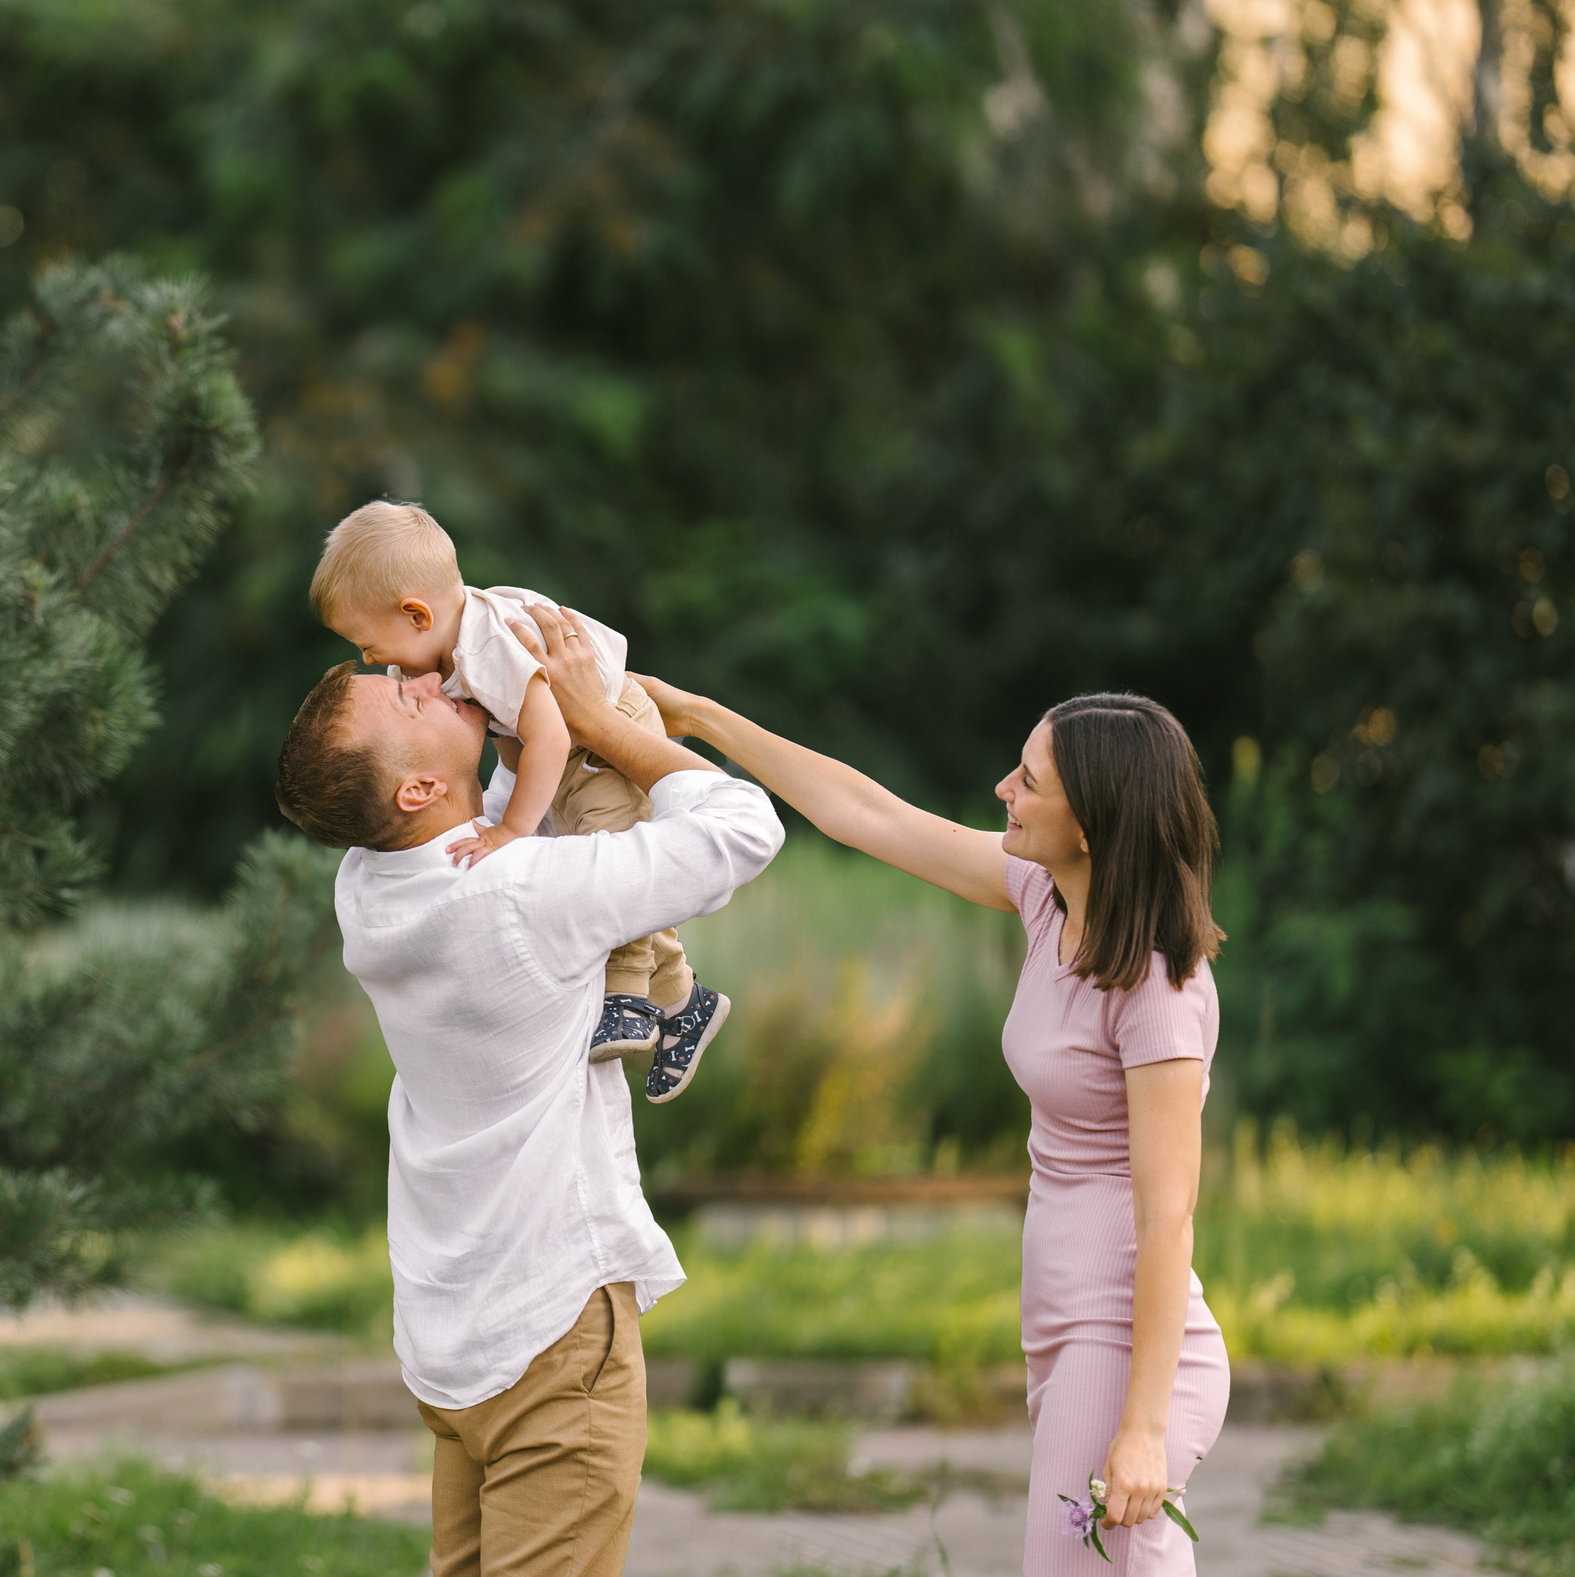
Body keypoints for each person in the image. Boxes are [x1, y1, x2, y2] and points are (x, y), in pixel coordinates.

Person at [514, 609, 1228, 1576]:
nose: (1002, 789)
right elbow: (868, 814)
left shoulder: (1157, 984)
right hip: (1064, 1321)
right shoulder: (1047, 898)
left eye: (1030, 781)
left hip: (1124, 1339)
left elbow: (1169, 1214)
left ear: (1093, 824)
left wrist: (1142, 1427)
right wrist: (703, 719)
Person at [271, 623, 782, 1577]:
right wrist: (610, 727)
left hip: (456, 1338)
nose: (419, 677)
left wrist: (522, 722)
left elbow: (495, 810)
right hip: (552, 1335)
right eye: (406, 701)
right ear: (414, 789)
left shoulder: (369, 884)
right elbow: (743, 829)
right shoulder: (519, 896)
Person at [308, 498, 717, 1098]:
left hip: (604, 726)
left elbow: (548, 735)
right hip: (561, 743)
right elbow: (499, 739)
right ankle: (687, 1001)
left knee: (607, 845)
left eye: (367, 645)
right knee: (580, 841)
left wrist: (512, 830)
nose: (369, 661)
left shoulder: (486, 648)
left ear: (417, 615)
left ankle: (628, 995)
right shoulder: (424, 659)